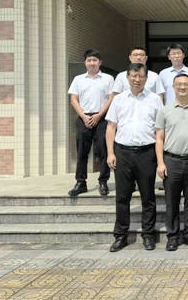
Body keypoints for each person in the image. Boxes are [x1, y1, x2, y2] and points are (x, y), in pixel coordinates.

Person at [105, 63, 163, 252]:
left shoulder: (155, 100)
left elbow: (160, 130)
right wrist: (110, 153)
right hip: (123, 152)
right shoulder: (118, 99)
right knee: (122, 196)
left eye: (141, 76)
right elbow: (111, 127)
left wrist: (159, 158)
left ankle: (148, 235)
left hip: (147, 153)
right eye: (133, 76)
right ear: (127, 77)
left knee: (148, 196)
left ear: (146, 78)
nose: (137, 79)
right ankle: (121, 236)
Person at [156, 73, 188, 251]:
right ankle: (173, 236)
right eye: (179, 84)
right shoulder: (165, 110)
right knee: (172, 202)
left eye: (186, 84)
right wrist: (160, 163)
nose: (182, 87)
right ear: (173, 87)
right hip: (171, 160)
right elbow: (159, 138)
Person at [67, 49, 114, 197]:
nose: (92, 63)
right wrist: (83, 116)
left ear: (100, 62)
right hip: (84, 118)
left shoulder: (108, 78)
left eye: (94, 60)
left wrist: (99, 115)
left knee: (103, 150)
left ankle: (103, 181)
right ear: (85, 63)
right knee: (82, 151)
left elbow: (111, 98)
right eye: (89, 60)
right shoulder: (78, 79)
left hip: (102, 118)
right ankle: (81, 182)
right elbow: (73, 99)